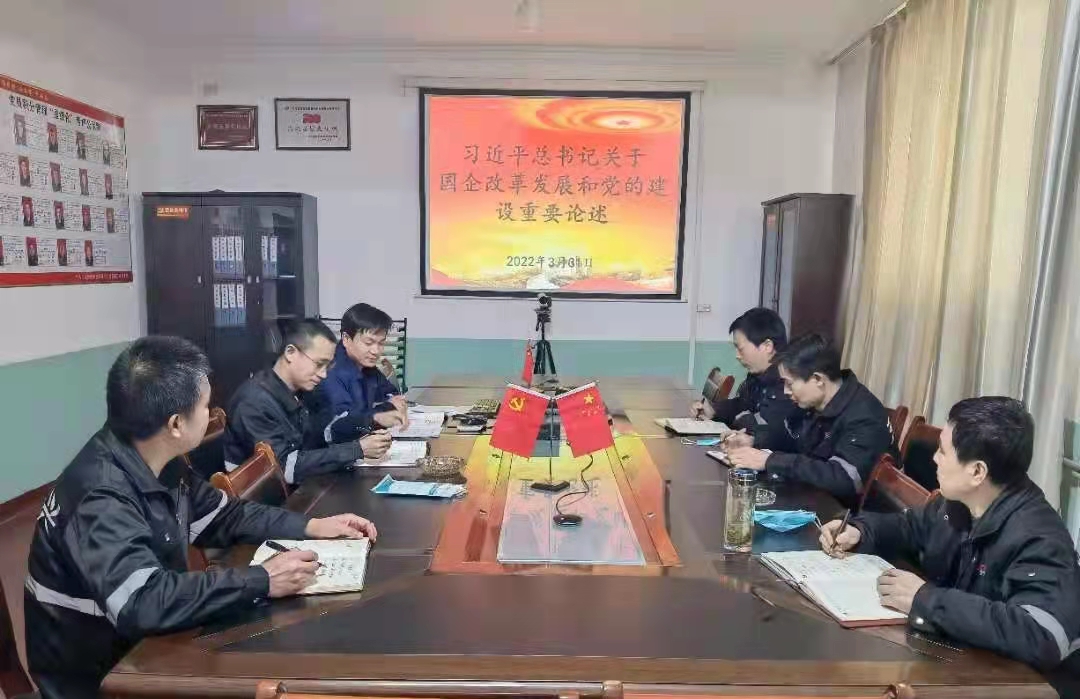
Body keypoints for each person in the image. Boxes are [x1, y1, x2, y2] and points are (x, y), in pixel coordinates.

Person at [819, 397, 1080, 688]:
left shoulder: (1039, 537)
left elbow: (1042, 636)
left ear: (977, 472)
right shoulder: (958, 503)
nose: (935, 459)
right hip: (956, 662)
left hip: (1019, 686)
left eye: (943, 451)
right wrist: (860, 530)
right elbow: (910, 526)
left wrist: (926, 600)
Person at [726, 333, 892, 506]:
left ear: (818, 379)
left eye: (789, 383)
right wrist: (754, 439)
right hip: (813, 496)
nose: (785, 391)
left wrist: (770, 461)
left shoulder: (864, 415)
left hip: (843, 513)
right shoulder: (816, 402)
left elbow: (844, 479)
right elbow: (792, 437)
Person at [225, 318, 392, 485]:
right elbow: (284, 468)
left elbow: (324, 432)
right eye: (319, 364)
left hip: (301, 486)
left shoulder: (303, 390)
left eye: (328, 366)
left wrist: (370, 423)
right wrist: (357, 449)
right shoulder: (254, 402)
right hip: (270, 495)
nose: (323, 374)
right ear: (290, 353)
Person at [690, 308, 806, 451]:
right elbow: (741, 404)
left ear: (767, 346)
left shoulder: (786, 382)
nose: (737, 356)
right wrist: (713, 410)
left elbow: (768, 429)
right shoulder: (758, 376)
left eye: (741, 349)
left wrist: (743, 418)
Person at [320, 303, 408, 444]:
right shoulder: (331, 372)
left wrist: (386, 406)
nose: (376, 351)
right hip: (340, 450)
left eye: (381, 343)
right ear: (346, 339)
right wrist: (384, 410)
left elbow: (391, 393)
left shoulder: (366, 364)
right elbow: (344, 426)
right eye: (368, 343)